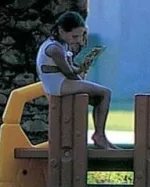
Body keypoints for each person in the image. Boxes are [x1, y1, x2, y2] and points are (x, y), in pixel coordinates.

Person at [35, 11, 113, 149]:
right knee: (105, 92)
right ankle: (99, 135)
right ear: (61, 31)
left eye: (80, 36)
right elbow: (69, 73)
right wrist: (81, 79)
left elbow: (72, 69)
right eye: (75, 36)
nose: (77, 40)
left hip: (62, 81)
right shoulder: (54, 48)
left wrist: (83, 67)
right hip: (58, 85)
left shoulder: (62, 45)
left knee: (98, 99)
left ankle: (100, 136)